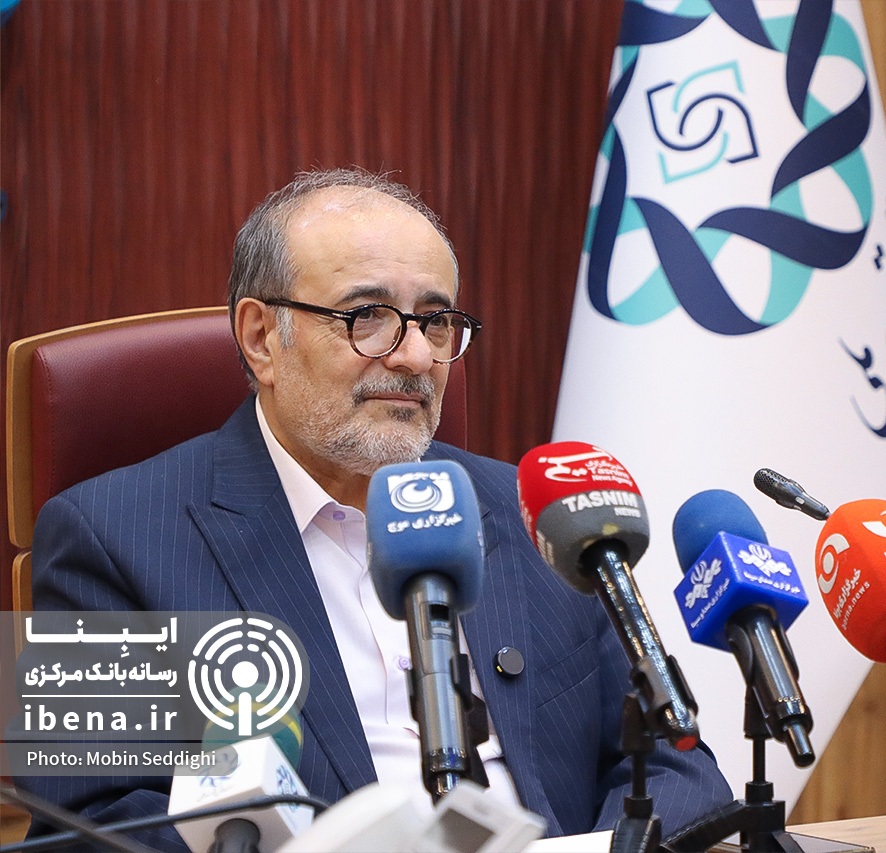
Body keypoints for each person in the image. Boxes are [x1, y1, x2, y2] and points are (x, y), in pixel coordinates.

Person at [19, 168, 731, 850]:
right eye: (368, 317)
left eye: (436, 321)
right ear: (261, 337)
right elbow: (86, 829)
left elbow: (676, 763)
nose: (416, 356)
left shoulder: (533, 512)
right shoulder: (110, 536)